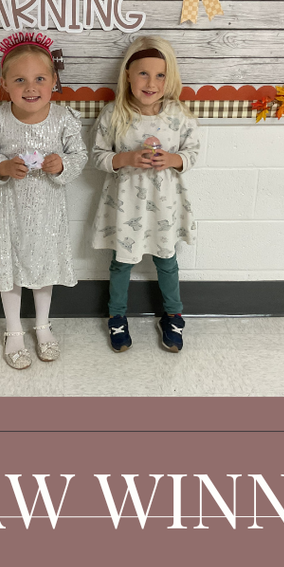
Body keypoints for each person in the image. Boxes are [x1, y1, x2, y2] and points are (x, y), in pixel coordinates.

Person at [0, 33, 87, 369]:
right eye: (20, 79)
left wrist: (61, 164)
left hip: (49, 210)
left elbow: (79, 156)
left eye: (39, 79)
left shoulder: (64, 119)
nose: (30, 87)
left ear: (53, 82)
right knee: (10, 269)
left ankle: (42, 325)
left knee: (43, 268)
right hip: (9, 210)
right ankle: (13, 330)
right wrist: (2, 167)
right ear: (4, 83)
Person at [91, 36, 199, 353]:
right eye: (143, 73)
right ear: (127, 74)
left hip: (164, 206)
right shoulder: (114, 114)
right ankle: (117, 315)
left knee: (167, 260)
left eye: (160, 75)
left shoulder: (179, 115)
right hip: (126, 205)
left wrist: (174, 159)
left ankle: (173, 315)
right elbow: (97, 155)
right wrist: (124, 158)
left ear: (170, 78)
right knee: (121, 262)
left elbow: (192, 153)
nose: (151, 83)